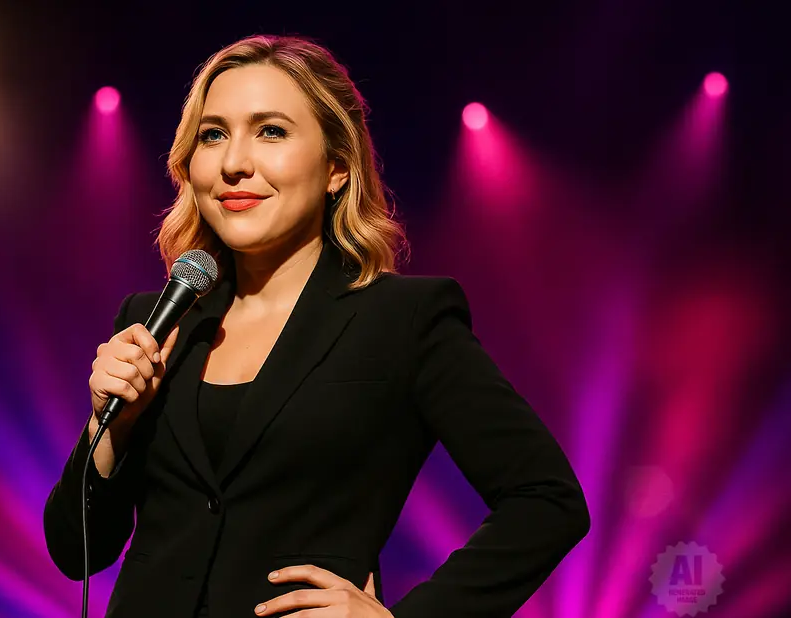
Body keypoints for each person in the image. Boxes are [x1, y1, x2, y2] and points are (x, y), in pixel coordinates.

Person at [43, 34, 590, 618]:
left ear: (336, 166)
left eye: (271, 131)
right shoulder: (155, 320)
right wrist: (114, 428)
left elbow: (546, 500)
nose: (234, 163)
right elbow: (77, 553)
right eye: (214, 134)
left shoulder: (402, 320)